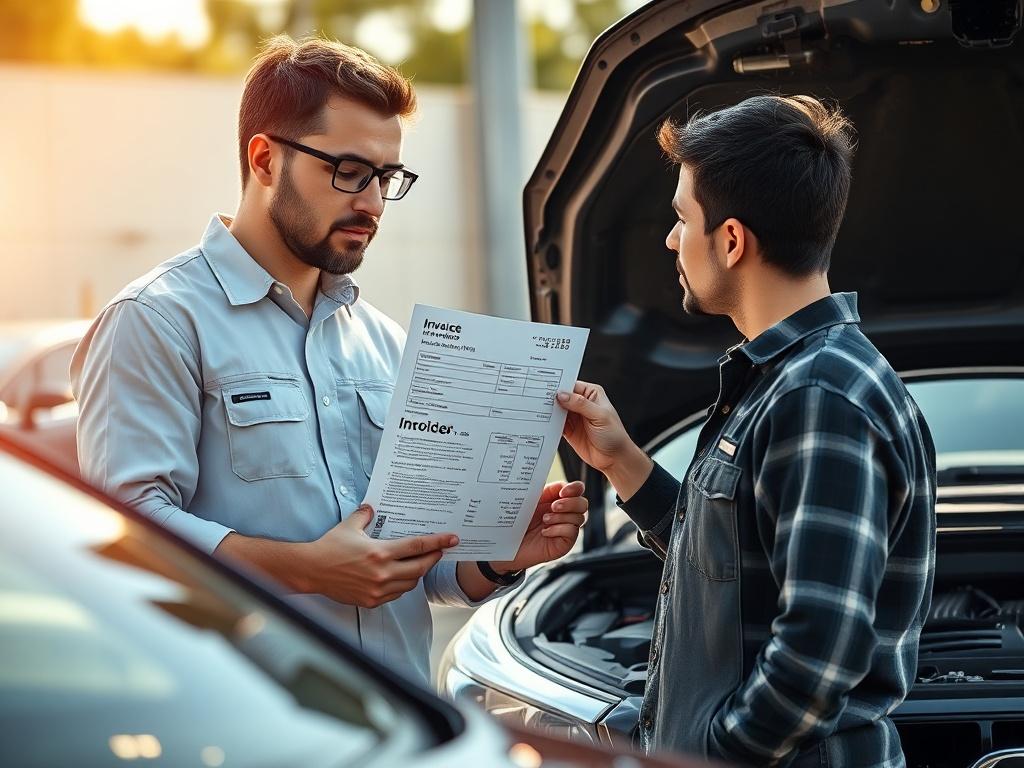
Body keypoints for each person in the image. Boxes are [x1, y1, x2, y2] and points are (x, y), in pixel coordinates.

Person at [71, 35, 587, 686]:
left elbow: (411, 567)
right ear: (264, 159)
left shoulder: (386, 342)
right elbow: (126, 538)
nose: (372, 202)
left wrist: (499, 557)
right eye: (348, 171)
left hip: (399, 727)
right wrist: (306, 568)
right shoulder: (156, 320)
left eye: (386, 177)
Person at [555, 95, 936, 767]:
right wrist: (622, 463)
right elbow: (732, 569)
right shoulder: (785, 379)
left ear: (731, 241)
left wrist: (710, 753)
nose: (672, 239)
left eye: (682, 218)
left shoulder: (822, 395)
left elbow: (818, 654)